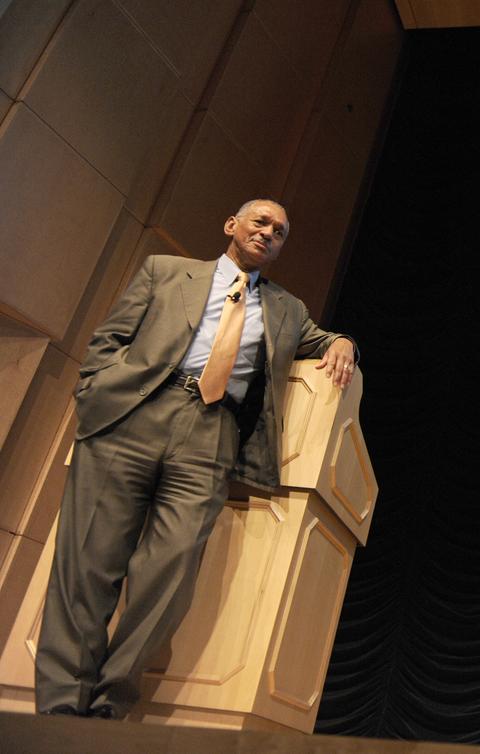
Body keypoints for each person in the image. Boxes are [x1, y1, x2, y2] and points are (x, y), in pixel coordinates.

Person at [35, 199, 358, 719]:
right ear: (232, 225)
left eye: (279, 231)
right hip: (133, 418)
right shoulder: (166, 271)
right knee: (86, 566)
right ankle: (58, 708)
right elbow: (109, 339)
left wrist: (343, 341)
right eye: (260, 222)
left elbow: (322, 340)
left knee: (169, 572)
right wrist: (96, 397)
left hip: (212, 435)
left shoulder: (287, 309)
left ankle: (108, 704)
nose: (268, 233)